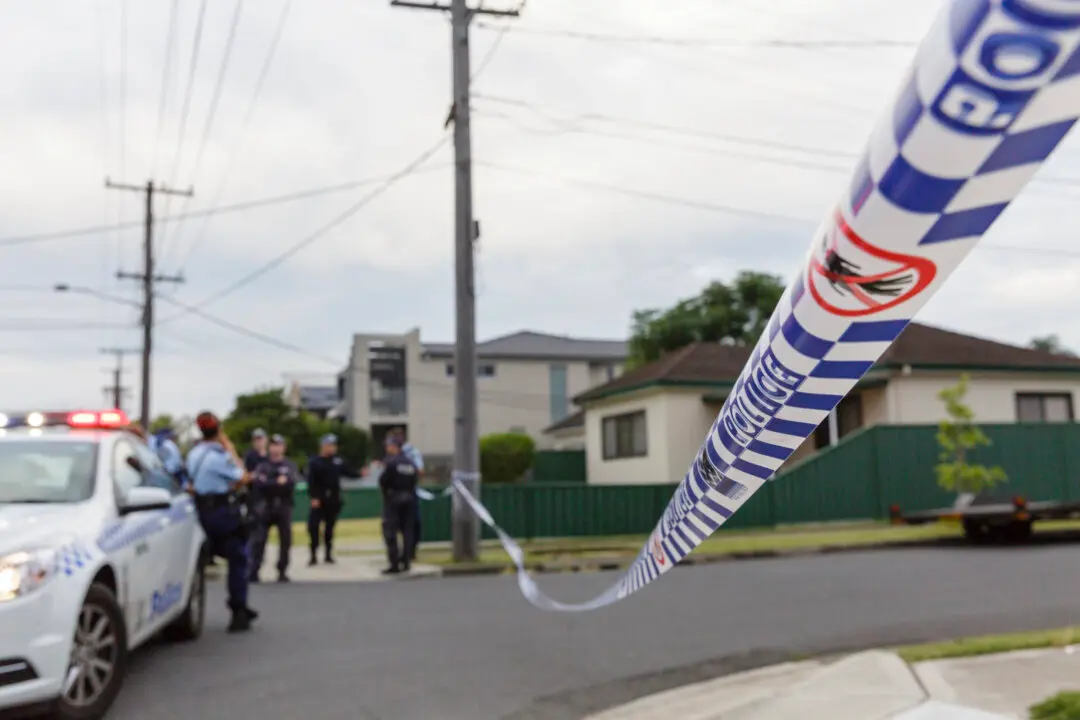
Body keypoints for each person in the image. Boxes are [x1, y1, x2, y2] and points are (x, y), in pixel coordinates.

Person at [187, 411, 258, 633]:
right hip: (220, 512)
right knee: (238, 558)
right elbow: (243, 477)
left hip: (200, 510)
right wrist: (229, 447)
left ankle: (241, 606)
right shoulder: (219, 457)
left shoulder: (194, 454)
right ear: (219, 429)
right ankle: (238, 609)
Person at [249, 434, 298, 584]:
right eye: (273, 445)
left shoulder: (289, 465)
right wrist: (276, 482)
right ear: (269, 447)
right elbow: (259, 483)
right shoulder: (263, 465)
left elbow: (290, 482)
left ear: (283, 448)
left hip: (283, 505)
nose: (276, 448)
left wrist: (274, 482)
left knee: (285, 540)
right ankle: (254, 570)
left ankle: (282, 570)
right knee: (259, 539)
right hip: (266, 506)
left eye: (279, 445)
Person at [305, 434, 360, 566]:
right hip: (319, 498)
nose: (332, 448)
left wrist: (360, 473)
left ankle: (328, 554)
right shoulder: (315, 462)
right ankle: (313, 554)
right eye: (329, 445)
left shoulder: (337, 461)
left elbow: (347, 472)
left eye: (333, 445)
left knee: (330, 528)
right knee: (314, 527)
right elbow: (311, 481)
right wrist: (314, 497)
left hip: (333, 499)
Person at [379, 438, 420, 575]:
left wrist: (387, 495)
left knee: (390, 531)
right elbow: (415, 480)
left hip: (394, 499)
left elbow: (383, 481)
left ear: (393, 447)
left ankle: (394, 563)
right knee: (407, 531)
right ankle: (406, 561)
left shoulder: (391, 463)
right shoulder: (411, 463)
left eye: (388, 446)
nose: (387, 449)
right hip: (409, 498)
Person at [390, 428, 425, 562]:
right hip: (394, 494)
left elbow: (420, 471)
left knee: (412, 523)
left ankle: (410, 551)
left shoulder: (411, 453)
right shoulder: (392, 455)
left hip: (409, 492)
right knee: (395, 525)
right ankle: (400, 552)